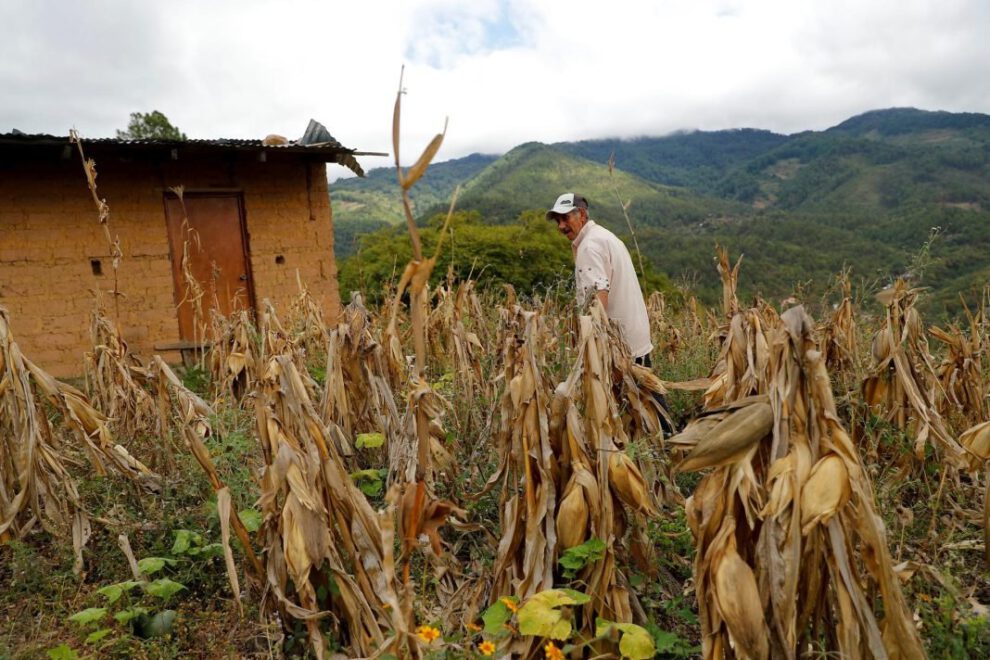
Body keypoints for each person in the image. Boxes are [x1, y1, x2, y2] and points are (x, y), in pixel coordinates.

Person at [547, 192, 673, 433]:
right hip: (634, 336)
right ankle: (667, 450)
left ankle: (666, 453)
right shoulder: (605, 236)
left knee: (635, 407)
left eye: (565, 219)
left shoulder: (589, 246)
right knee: (649, 404)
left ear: (581, 215)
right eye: (557, 221)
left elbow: (597, 297)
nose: (561, 226)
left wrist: (589, 342)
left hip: (619, 344)